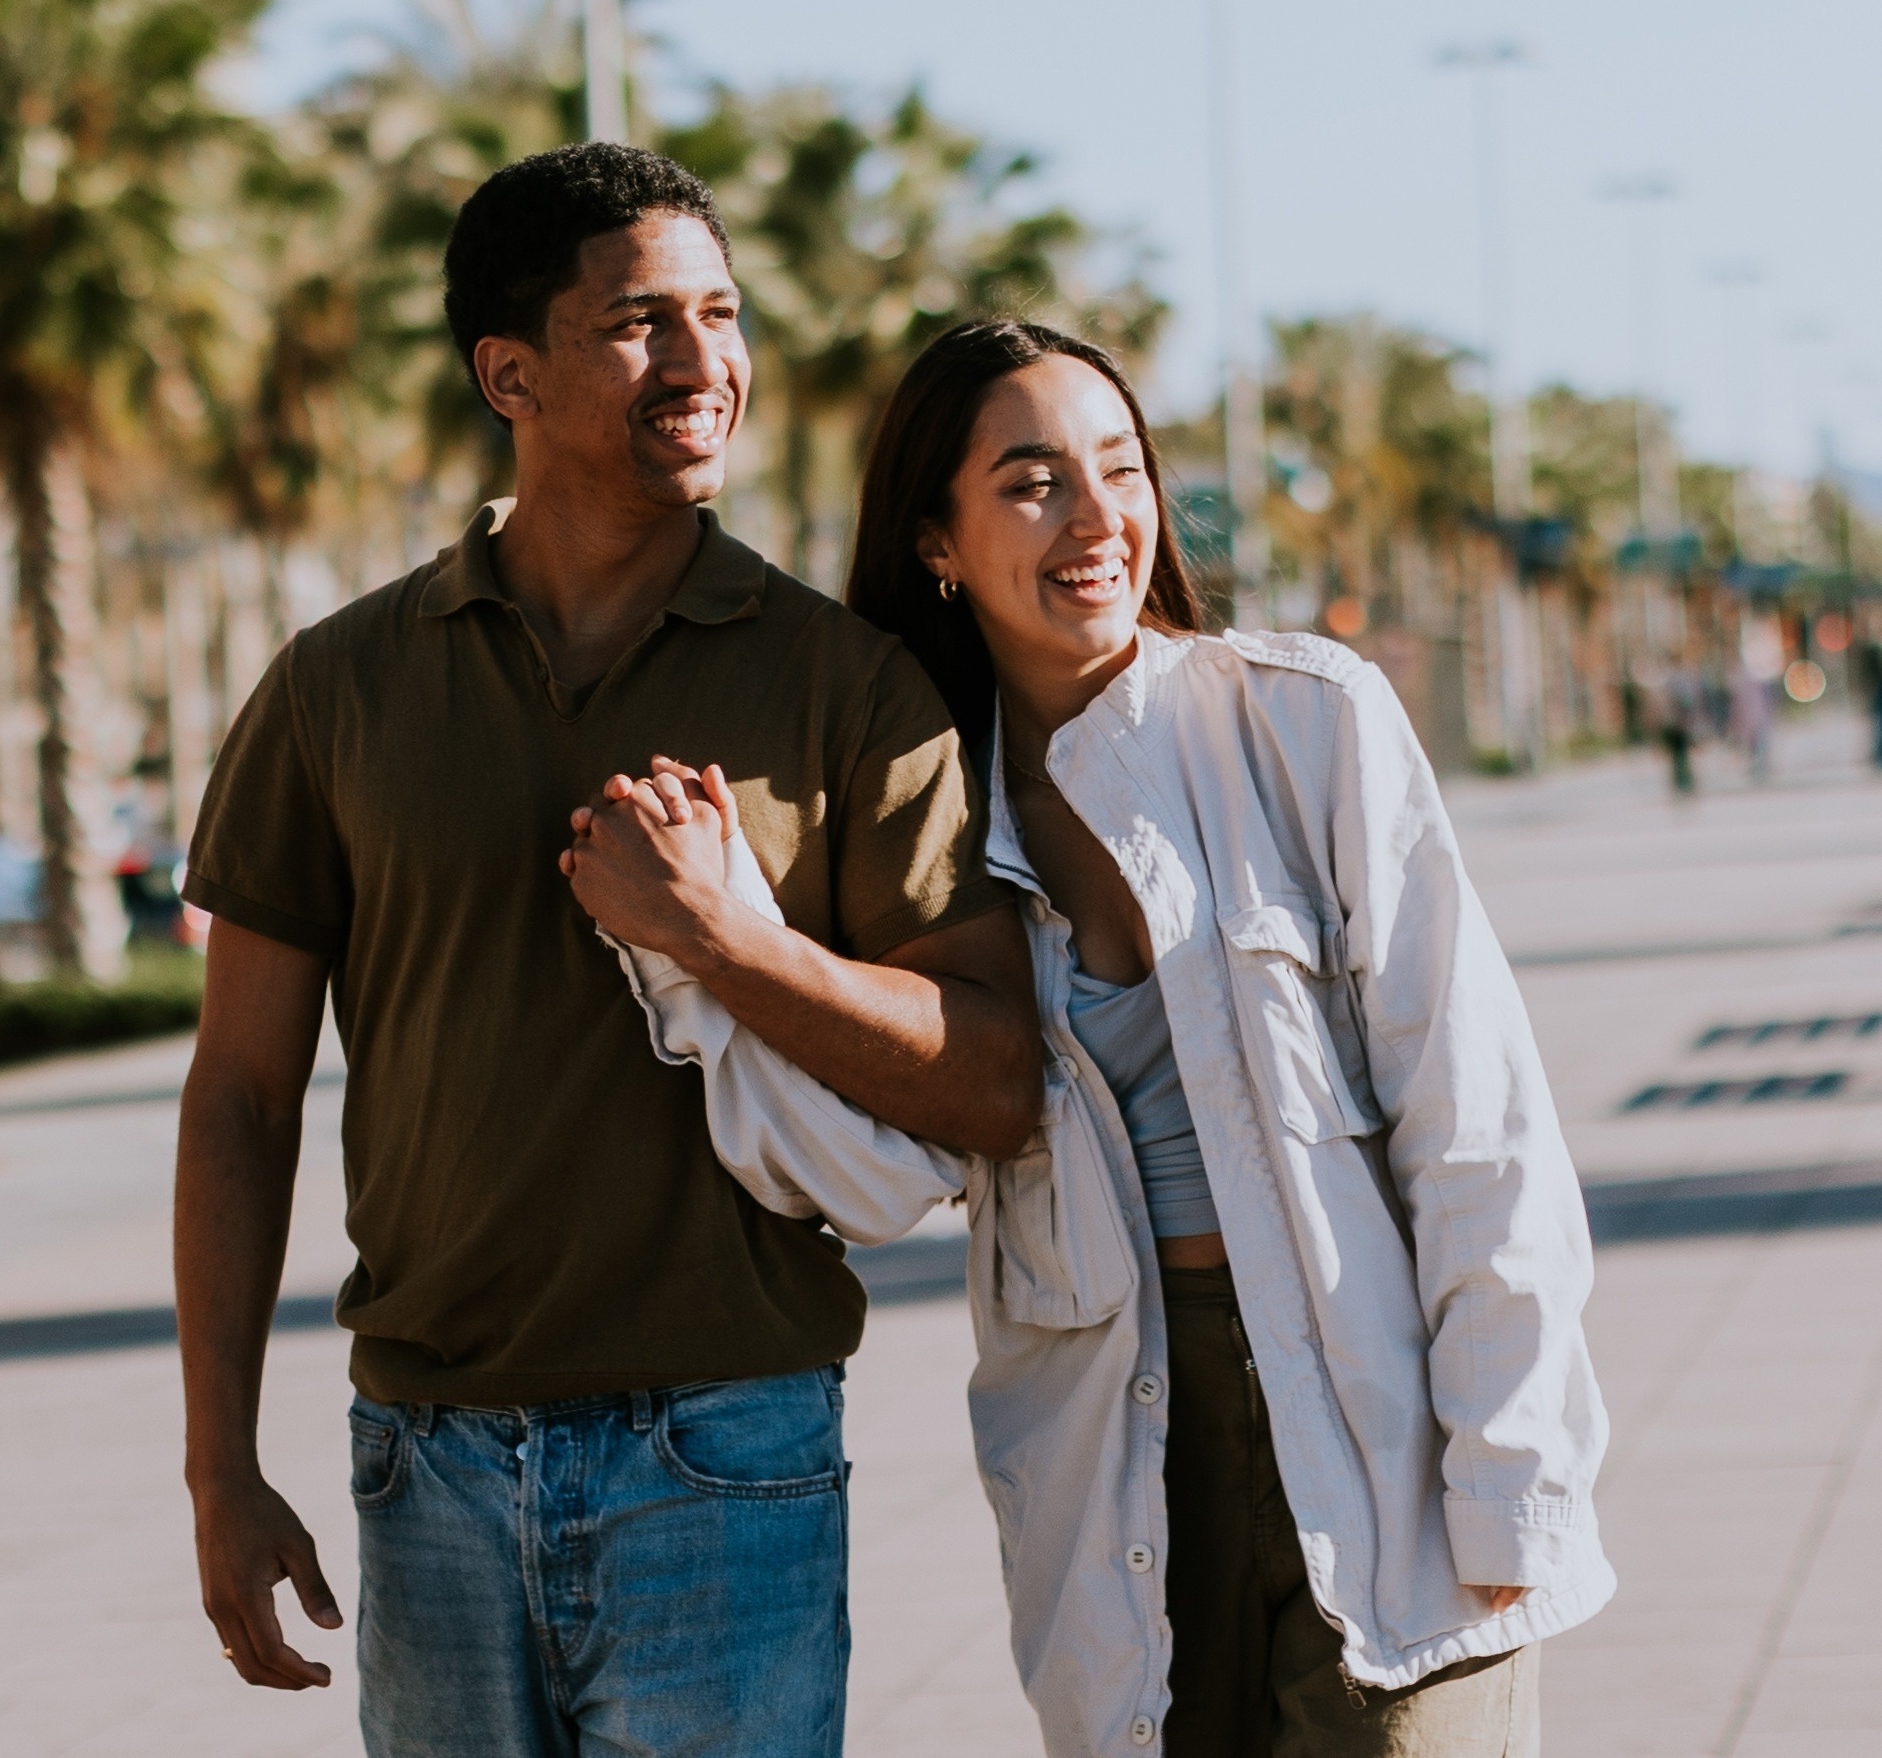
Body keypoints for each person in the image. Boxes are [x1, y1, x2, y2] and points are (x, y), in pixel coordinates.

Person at [594, 320, 1612, 1756]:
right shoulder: (920, 834)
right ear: (937, 540)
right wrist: (707, 952)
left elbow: (1479, 1120)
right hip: (1118, 1444)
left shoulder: (1303, 723)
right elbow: (871, 1177)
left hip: (1372, 1417)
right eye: (1031, 482)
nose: (1098, 517)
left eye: (1120, 468)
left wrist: (1512, 1471)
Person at [171, 145, 1038, 1754]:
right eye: (642, 322)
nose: (706, 363)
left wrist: (726, 938)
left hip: (731, 1450)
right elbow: (236, 1092)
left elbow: (995, 1079)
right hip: (423, 1458)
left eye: (722, 313)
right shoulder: (336, 687)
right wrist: (221, 1466)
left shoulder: (844, 687)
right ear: (510, 370)